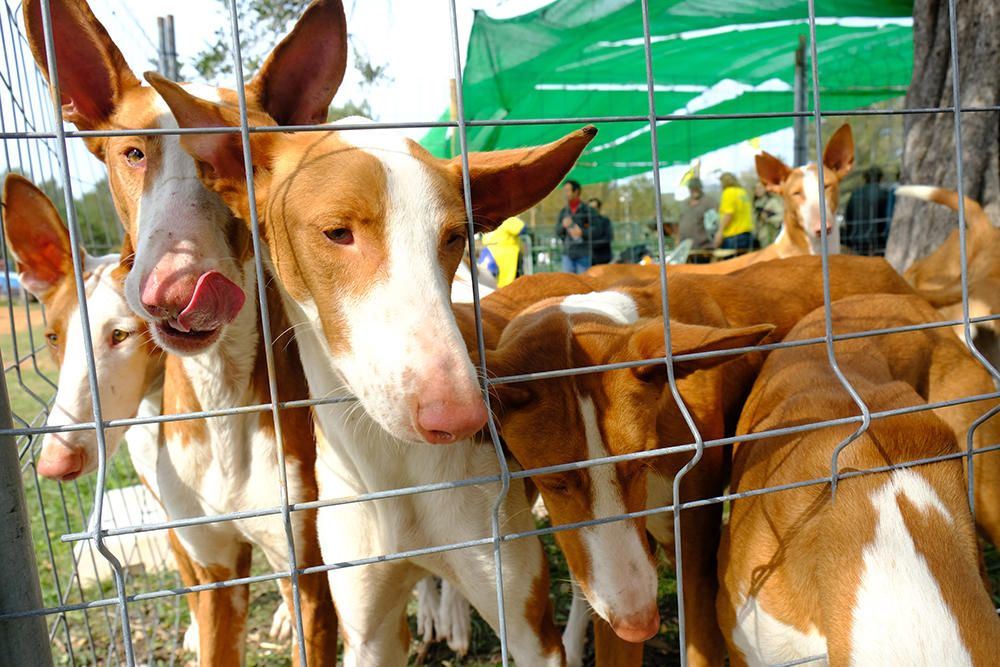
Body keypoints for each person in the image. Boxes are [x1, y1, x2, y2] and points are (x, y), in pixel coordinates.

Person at [843, 166, 891, 256]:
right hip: (878, 241)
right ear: (881, 178)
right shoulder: (885, 194)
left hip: (856, 239)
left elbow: (848, 217)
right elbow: (887, 218)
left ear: (865, 178)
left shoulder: (855, 194)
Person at [555, 180, 598, 273]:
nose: (565, 193)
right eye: (564, 191)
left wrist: (582, 232)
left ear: (576, 191)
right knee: (569, 285)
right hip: (567, 255)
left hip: (584, 255)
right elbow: (557, 232)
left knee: (584, 284)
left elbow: (597, 230)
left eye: (567, 190)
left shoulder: (588, 210)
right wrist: (563, 226)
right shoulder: (563, 212)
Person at [676, 177, 717, 262]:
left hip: (703, 248)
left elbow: (715, 223)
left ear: (700, 188)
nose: (694, 190)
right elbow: (680, 222)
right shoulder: (685, 204)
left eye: (696, 188)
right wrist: (678, 239)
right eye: (692, 188)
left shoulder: (709, 202)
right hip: (686, 248)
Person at [478, 215, 525, 287]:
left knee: (485, 280)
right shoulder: (506, 218)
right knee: (508, 283)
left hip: (487, 251)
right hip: (506, 253)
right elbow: (522, 229)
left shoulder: (486, 217)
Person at [715, 172, 754, 253]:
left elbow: (728, 214)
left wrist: (720, 232)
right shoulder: (743, 192)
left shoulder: (728, 192)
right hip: (747, 234)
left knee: (731, 264)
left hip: (733, 236)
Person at [752, 181, 783, 248]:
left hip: (771, 236)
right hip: (760, 237)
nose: (757, 190)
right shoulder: (755, 204)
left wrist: (768, 219)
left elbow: (782, 216)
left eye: (760, 188)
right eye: (756, 188)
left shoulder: (772, 202)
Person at [586, 197, 614, 265]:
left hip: (603, 258)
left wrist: (592, 244)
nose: (592, 210)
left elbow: (608, 237)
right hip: (588, 259)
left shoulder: (605, 221)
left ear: (599, 208)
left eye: (594, 207)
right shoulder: (585, 222)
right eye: (590, 208)